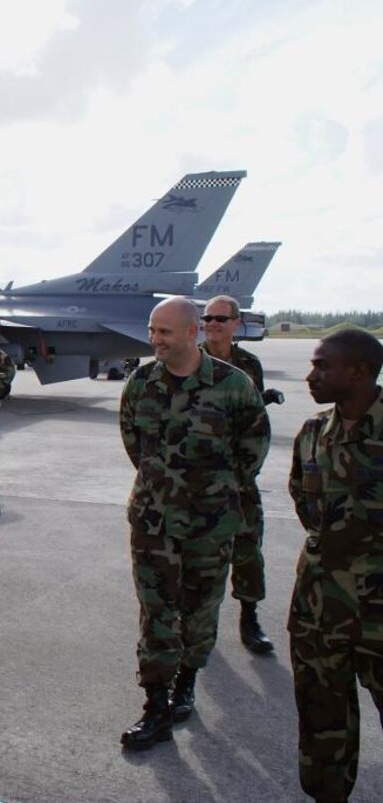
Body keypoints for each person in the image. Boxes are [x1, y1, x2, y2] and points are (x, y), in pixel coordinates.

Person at [118, 296, 269, 750]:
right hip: (153, 522)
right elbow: (134, 442)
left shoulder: (234, 385)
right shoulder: (140, 383)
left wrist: (212, 492)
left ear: (192, 332)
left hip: (211, 524)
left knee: (200, 609)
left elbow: (252, 449)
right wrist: (165, 487)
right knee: (156, 612)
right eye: (152, 330)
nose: (155, 339)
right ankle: (155, 705)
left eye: (164, 331)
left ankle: (186, 683)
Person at [288, 328, 383, 802]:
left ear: (359, 371)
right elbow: (305, 505)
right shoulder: (312, 433)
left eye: (323, 366)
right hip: (320, 609)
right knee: (322, 722)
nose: (311, 375)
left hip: (378, 610)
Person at [200, 294, 275, 654]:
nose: (212, 324)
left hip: (239, 476)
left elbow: (255, 422)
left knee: (248, 549)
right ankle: (198, 624)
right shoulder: (189, 359)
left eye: (220, 319)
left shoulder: (248, 365)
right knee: (198, 556)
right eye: (207, 318)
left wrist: (246, 471)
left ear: (236, 323)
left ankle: (250, 617)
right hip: (198, 478)